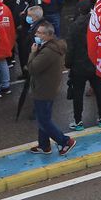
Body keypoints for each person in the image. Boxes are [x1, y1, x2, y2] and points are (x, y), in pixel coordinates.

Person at [26, 21, 77, 156]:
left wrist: (32, 53)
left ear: (48, 35)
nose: (36, 35)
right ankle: (44, 145)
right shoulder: (52, 47)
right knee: (44, 118)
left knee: (44, 120)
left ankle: (65, 141)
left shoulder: (47, 51)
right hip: (47, 87)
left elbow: (32, 68)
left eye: (39, 33)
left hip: (43, 89)